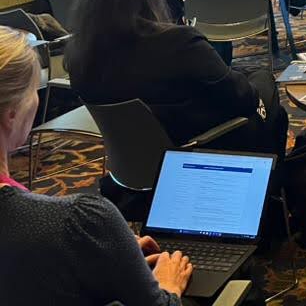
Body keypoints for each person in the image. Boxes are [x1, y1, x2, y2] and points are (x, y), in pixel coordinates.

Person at [0, 26, 193, 304]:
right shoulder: (78, 221)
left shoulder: (68, 230)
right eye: (33, 90)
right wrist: (168, 286)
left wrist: (108, 254)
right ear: (11, 114)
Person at [66, 0, 289, 161]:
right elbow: (243, 99)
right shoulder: (178, 42)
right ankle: (271, 180)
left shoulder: (79, 52)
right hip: (199, 146)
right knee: (265, 86)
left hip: (131, 158)